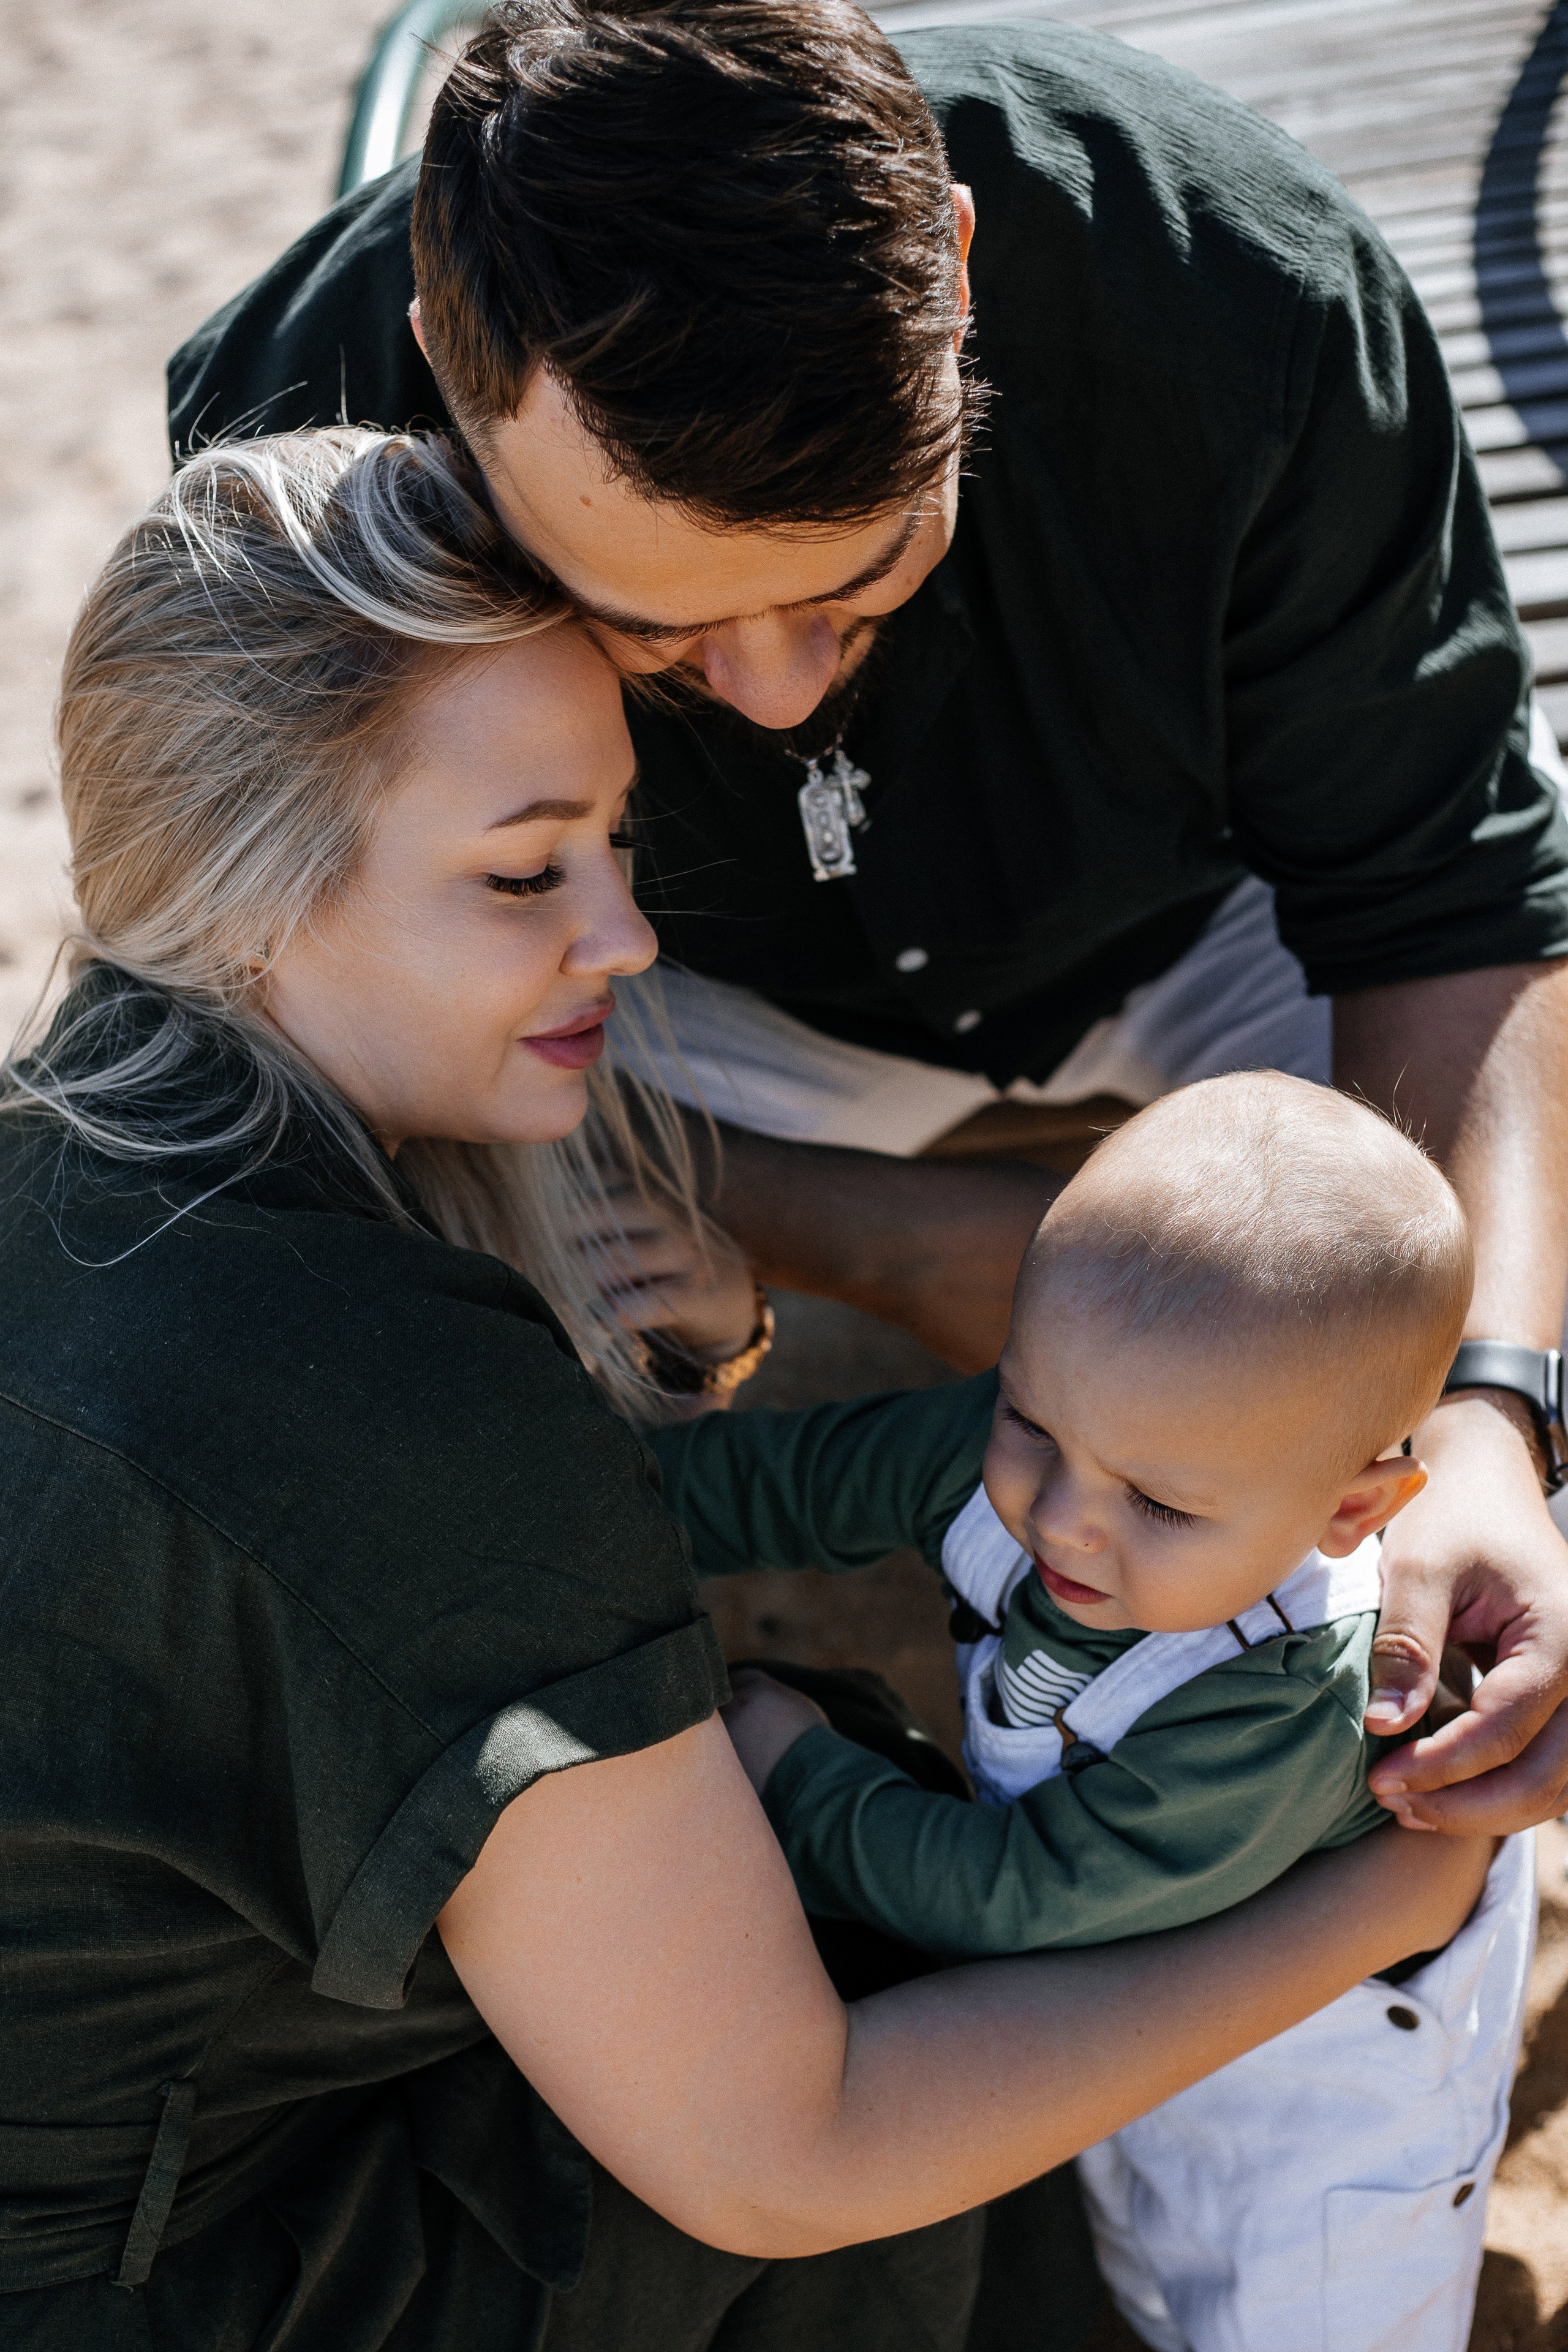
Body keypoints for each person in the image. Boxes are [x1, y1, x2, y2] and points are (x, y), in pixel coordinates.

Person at [0, 424, 1493, 2351]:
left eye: (614, 841)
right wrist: (1380, 1908)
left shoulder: (77, 1135)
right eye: (525, 871)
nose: (623, 934)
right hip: (152, 2295)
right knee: (857, 1927)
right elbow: (787, 2150)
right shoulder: (388, 1402)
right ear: (246, 890)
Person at [166, 0, 1568, 1834]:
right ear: (446, 362)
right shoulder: (295, 413)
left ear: (959, 265)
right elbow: (321, 986)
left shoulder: (1240, 282)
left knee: (1524, 1306)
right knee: (408, 1365)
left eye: (863, 569)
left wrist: (1484, 1415)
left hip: (1208, 904)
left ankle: (914, 1244)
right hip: (673, 986)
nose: (765, 697)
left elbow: (1446, 889)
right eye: (650, 615)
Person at [650, 1072, 1536, 2350]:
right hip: (1124, 1990)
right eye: (1025, 1415)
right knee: (1122, 2247)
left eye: (1159, 1505)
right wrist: (578, 1513)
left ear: (1352, 1511)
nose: (1060, 1513)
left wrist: (802, 1774)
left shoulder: (1277, 1696)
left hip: (1311, 2085)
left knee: (1284, 2315)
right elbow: (779, 1484)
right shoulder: (1075, 1444)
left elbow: (1013, 1899)